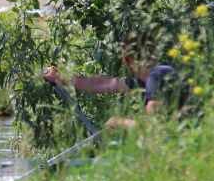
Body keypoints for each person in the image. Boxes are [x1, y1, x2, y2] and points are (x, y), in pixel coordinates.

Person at [41, 32, 187, 129]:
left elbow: (154, 126)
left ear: (128, 59)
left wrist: (119, 122)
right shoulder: (146, 79)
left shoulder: (157, 76)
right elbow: (105, 83)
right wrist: (61, 78)